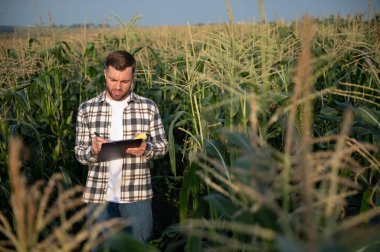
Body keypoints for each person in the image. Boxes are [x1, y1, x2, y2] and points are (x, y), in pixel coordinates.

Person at [74, 50, 168, 245]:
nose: (117, 86)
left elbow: (163, 147)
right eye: (112, 79)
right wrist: (92, 150)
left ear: (133, 77)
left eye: (124, 81)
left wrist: (147, 149)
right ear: (104, 74)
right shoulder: (87, 109)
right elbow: (79, 154)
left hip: (137, 196)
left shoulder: (148, 108)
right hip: (99, 197)